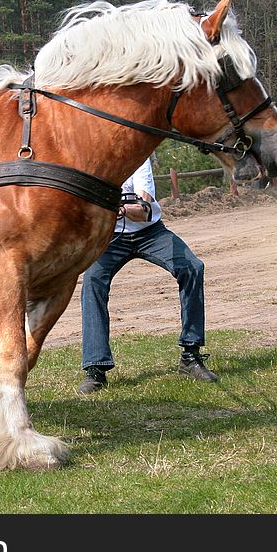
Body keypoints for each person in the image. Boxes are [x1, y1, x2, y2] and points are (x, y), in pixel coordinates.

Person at [78, 157, 216, 394]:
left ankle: (190, 356)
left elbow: (144, 208)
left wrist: (121, 208)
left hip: (150, 233)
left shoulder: (138, 159)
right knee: (92, 281)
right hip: (109, 238)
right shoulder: (91, 162)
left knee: (192, 267)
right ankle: (95, 368)